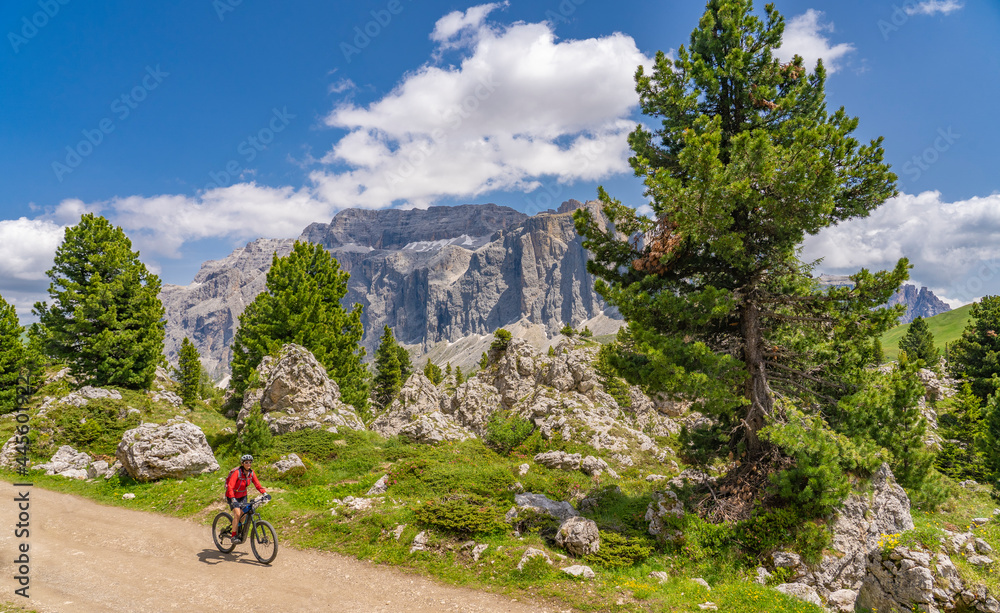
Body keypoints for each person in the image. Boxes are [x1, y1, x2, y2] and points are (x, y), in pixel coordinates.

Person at [226, 454, 267, 543]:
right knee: (237, 514)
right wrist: (233, 499)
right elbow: (230, 487)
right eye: (246, 462)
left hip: (243, 496)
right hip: (232, 496)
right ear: (242, 463)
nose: (248, 464)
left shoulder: (251, 473)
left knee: (244, 514)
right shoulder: (237, 472)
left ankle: (239, 529)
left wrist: (265, 493)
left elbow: (257, 485)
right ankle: (233, 536)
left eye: (250, 462)